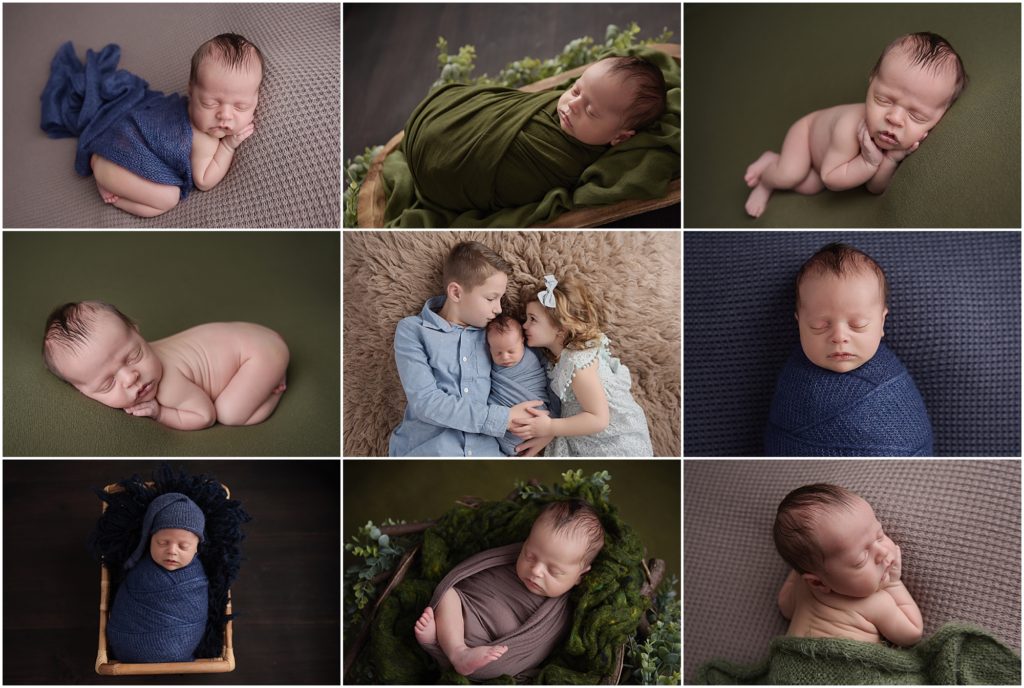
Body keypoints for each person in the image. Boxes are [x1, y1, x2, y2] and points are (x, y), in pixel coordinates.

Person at [403, 56, 667, 214]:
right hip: (436, 120)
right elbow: (513, 104)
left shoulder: (564, 163)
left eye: (590, 111)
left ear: (620, 138)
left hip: (445, 169)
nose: (572, 106)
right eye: (576, 91)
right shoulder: (555, 107)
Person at [744, 32, 967, 218]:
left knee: (809, 187)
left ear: (941, 116)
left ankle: (773, 159)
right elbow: (830, 178)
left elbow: (874, 188)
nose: (895, 119)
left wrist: (890, 160)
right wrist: (869, 162)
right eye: (884, 100)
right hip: (807, 135)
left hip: (828, 161)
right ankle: (766, 180)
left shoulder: (896, 138)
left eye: (917, 116)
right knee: (790, 174)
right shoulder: (848, 127)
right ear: (872, 80)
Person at [42, 33, 263, 217]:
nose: (224, 115)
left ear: (256, 100)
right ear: (191, 92)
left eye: (241, 107)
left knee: (165, 194)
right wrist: (227, 147)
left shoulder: (205, 119)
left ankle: (105, 169)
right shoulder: (203, 139)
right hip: (119, 157)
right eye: (209, 103)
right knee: (168, 198)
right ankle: (108, 182)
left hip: (118, 142)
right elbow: (204, 180)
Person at [764, 243, 933, 455]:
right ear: (798, 324)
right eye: (819, 326)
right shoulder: (793, 383)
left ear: (882, 322)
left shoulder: (892, 381)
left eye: (858, 324)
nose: (839, 337)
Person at [414, 500, 605, 679]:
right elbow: (467, 577)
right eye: (529, 556)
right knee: (449, 595)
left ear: (581, 575)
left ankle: (441, 649)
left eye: (554, 571)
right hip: (463, 615)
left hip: (494, 643)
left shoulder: (561, 612)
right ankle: (454, 650)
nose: (536, 571)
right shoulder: (508, 558)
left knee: (497, 654)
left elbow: (536, 649)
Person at [389, 241, 544, 456]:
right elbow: (426, 402)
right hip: (428, 451)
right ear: (456, 293)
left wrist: (550, 429)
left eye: (500, 298)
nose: (498, 308)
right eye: (491, 298)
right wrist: (502, 418)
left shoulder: (497, 334)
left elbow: (540, 374)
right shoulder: (413, 331)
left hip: (488, 453)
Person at [42, 300, 288, 429]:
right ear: (82, 391)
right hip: (254, 336)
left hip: (258, 354)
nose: (131, 378)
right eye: (108, 383)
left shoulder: (168, 384)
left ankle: (275, 382)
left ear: (137, 332)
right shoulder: (140, 360)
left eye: (133, 356)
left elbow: (204, 416)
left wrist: (160, 413)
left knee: (230, 413)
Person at [512, 275, 653, 456]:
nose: (524, 325)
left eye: (533, 319)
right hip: (586, 432)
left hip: (614, 441)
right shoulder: (556, 360)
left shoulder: (578, 363)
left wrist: (549, 427)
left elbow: (599, 419)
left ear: (560, 329)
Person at [774, 483, 923, 646]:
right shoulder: (876, 603)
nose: (882, 552)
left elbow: (784, 607)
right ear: (818, 582)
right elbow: (912, 633)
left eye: (879, 535)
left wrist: (800, 568)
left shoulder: (803, 587)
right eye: (861, 559)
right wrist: (894, 584)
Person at [107, 492, 210, 662]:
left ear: (197, 549)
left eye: (183, 546)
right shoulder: (141, 571)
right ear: (149, 541)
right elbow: (123, 607)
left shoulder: (196, 578)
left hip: (179, 649)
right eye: (162, 543)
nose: (172, 551)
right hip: (127, 642)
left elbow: (198, 613)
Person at [485, 314, 553, 456]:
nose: (505, 357)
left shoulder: (534, 356)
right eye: (498, 352)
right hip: (506, 417)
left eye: (511, 351)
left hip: (538, 412)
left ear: (522, 341)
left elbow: (551, 381)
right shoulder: (488, 365)